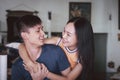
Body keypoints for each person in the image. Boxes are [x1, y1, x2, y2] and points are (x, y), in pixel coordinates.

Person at [18, 16, 94, 80]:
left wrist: (44, 73)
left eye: (68, 34)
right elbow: (22, 45)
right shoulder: (59, 41)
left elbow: (68, 79)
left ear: (80, 38)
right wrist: (29, 63)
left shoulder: (82, 57)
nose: (63, 36)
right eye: (64, 31)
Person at [11, 15, 71, 80]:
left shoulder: (56, 52)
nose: (43, 33)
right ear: (25, 35)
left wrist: (47, 74)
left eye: (42, 29)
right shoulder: (17, 66)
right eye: (38, 31)